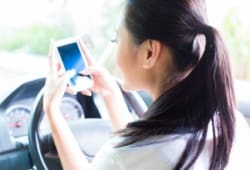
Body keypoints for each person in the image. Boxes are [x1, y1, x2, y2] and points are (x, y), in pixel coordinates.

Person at [43, 0, 250, 169]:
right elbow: (143, 150)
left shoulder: (125, 157)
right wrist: (111, 94)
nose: (116, 52)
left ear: (149, 53)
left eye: (117, 39)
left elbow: (134, 155)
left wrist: (52, 111)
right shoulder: (232, 125)